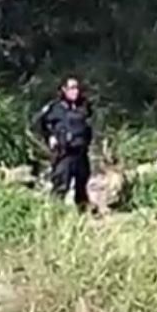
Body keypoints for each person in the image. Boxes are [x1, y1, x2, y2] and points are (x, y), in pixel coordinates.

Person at [33, 76, 93, 211]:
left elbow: (89, 122)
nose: (75, 91)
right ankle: (55, 215)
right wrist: (50, 137)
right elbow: (40, 124)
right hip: (64, 154)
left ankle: (83, 217)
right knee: (60, 186)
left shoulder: (84, 106)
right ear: (64, 90)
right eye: (72, 88)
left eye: (77, 88)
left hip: (81, 153)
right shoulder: (55, 108)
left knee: (82, 187)